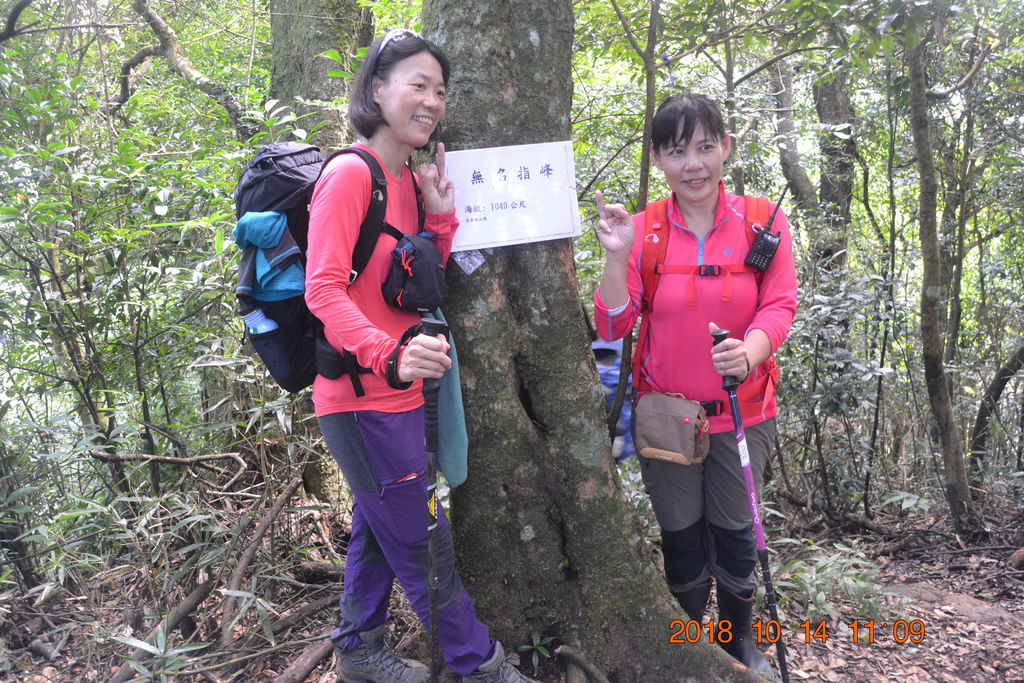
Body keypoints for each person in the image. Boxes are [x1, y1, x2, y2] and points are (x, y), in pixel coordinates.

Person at [305, 29, 536, 683]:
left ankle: (357, 648)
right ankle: (481, 666)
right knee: (423, 540)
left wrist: (437, 216)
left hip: (402, 393)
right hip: (361, 397)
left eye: (439, 88)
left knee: (383, 523)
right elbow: (322, 289)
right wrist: (388, 355)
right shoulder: (351, 174)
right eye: (417, 84)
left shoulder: (404, 178)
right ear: (377, 91)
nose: (432, 99)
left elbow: (411, 280)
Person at [592, 93, 797, 672]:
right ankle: (686, 650)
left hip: (744, 409)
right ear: (658, 157)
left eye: (706, 147)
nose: (694, 164)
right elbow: (613, 322)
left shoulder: (763, 219)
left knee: (735, 535)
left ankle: (736, 643)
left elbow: (780, 304)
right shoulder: (642, 231)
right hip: (665, 416)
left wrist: (749, 352)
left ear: (726, 148)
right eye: (678, 151)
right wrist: (615, 258)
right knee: (681, 538)